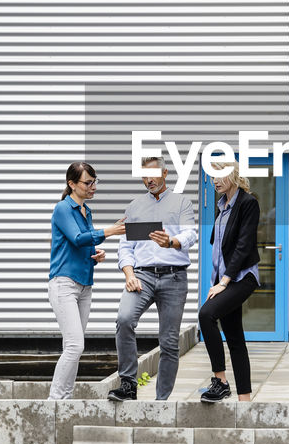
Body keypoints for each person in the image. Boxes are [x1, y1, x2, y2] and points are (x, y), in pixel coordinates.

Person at [109, 156, 197, 402]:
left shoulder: (181, 203)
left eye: (153, 175)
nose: (149, 180)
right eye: (144, 176)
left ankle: (161, 402)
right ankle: (128, 385)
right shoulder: (135, 207)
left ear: (165, 173)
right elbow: (125, 247)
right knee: (124, 319)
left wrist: (171, 241)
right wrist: (129, 274)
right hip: (143, 276)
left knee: (169, 342)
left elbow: (191, 234)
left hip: (174, 278)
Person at [48, 161, 125, 399]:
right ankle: (54, 401)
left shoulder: (86, 211)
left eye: (95, 182)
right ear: (72, 184)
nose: (93, 187)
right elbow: (78, 237)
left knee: (73, 348)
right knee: (75, 346)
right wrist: (109, 231)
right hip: (64, 284)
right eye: (87, 182)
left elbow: (83, 246)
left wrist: (95, 256)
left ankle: (65, 399)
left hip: (84, 286)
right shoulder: (63, 208)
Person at [197, 163, 260, 402]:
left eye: (220, 175)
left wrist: (223, 282)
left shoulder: (248, 203)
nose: (215, 180)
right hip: (223, 279)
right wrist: (217, 280)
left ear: (233, 175)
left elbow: (243, 247)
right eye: (212, 176)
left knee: (206, 315)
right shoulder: (221, 206)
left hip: (242, 277)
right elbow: (219, 247)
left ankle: (220, 381)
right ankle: (245, 400)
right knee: (235, 338)